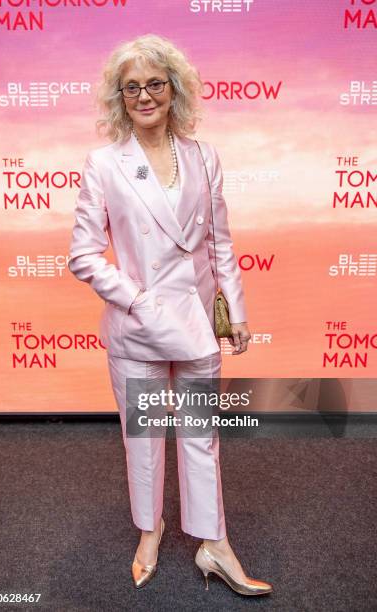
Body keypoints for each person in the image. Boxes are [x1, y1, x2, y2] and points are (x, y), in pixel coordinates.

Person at [67, 33, 273, 597]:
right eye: (131, 87)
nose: (144, 96)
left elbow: (221, 244)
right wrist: (136, 300)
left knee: (202, 436)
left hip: (200, 326)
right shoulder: (105, 163)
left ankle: (215, 543)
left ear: (174, 88)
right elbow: (83, 255)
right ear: (119, 98)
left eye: (154, 83)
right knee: (145, 437)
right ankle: (150, 530)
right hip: (139, 329)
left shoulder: (204, 156)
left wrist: (234, 309)